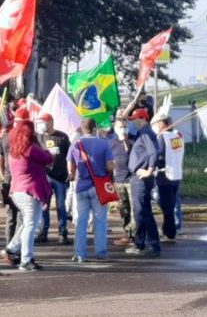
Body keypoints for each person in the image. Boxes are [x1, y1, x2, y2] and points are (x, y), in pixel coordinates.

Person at [1, 119, 53, 271]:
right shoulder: (31, 149)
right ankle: (26, 260)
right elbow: (48, 158)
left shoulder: (13, 151)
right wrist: (41, 143)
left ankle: (11, 248)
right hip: (30, 191)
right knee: (32, 225)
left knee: (26, 224)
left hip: (17, 191)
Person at [67, 118, 115, 262]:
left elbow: (70, 169)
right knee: (100, 220)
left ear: (82, 129)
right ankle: (101, 252)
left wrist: (75, 175)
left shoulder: (75, 144)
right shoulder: (103, 144)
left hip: (81, 187)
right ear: (95, 128)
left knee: (81, 221)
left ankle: (80, 253)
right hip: (99, 187)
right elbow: (110, 166)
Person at [125, 108, 161, 256]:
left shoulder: (146, 133)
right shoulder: (143, 132)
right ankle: (149, 243)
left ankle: (143, 243)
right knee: (144, 211)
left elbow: (154, 152)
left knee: (141, 212)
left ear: (141, 119)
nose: (132, 122)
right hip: (139, 177)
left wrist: (149, 170)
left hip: (141, 177)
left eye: (134, 119)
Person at [35, 113, 71, 244]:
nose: (41, 125)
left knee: (61, 206)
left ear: (50, 122)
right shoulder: (38, 138)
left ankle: (63, 233)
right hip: (44, 177)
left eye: (43, 122)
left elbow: (69, 156)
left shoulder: (62, 137)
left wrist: (70, 172)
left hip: (60, 178)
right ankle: (43, 232)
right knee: (44, 206)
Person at [0, 108, 28, 245]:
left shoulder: (5, 138)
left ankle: (9, 244)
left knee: (11, 216)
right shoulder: (27, 139)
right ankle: (17, 247)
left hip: (9, 180)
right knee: (22, 215)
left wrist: (3, 177)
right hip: (22, 181)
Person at [152, 114, 185, 243]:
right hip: (176, 175)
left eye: (156, 124)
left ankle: (170, 233)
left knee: (167, 207)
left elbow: (158, 153)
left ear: (162, 124)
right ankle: (168, 230)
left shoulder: (162, 137)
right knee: (170, 205)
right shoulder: (177, 136)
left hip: (163, 176)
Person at [110, 118, 135, 246]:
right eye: (120, 127)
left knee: (134, 210)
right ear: (115, 129)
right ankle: (127, 233)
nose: (123, 129)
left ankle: (136, 235)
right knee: (124, 209)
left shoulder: (133, 141)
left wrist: (127, 144)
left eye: (125, 127)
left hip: (132, 180)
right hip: (119, 181)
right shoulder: (112, 143)